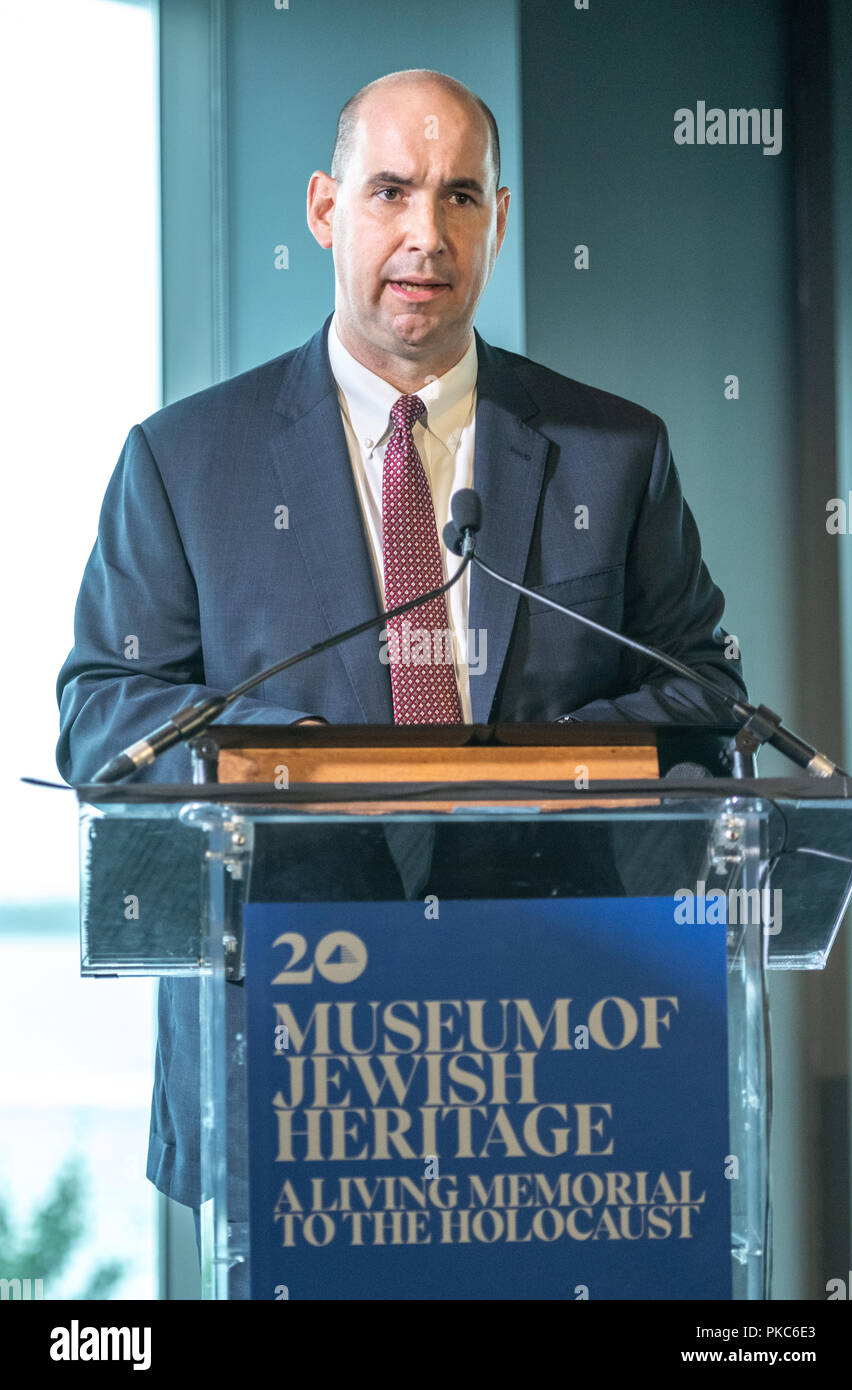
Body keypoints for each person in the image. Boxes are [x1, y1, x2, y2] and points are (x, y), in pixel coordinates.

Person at [56, 68, 746, 1272]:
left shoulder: (612, 453)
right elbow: (106, 712)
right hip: (284, 1046)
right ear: (326, 209)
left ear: (499, 218)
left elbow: (705, 694)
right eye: (390, 191)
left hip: (560, 1058)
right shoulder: (182, 460)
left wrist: (529, 775)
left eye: (460, 196)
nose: (426, 235)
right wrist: (295, 767)